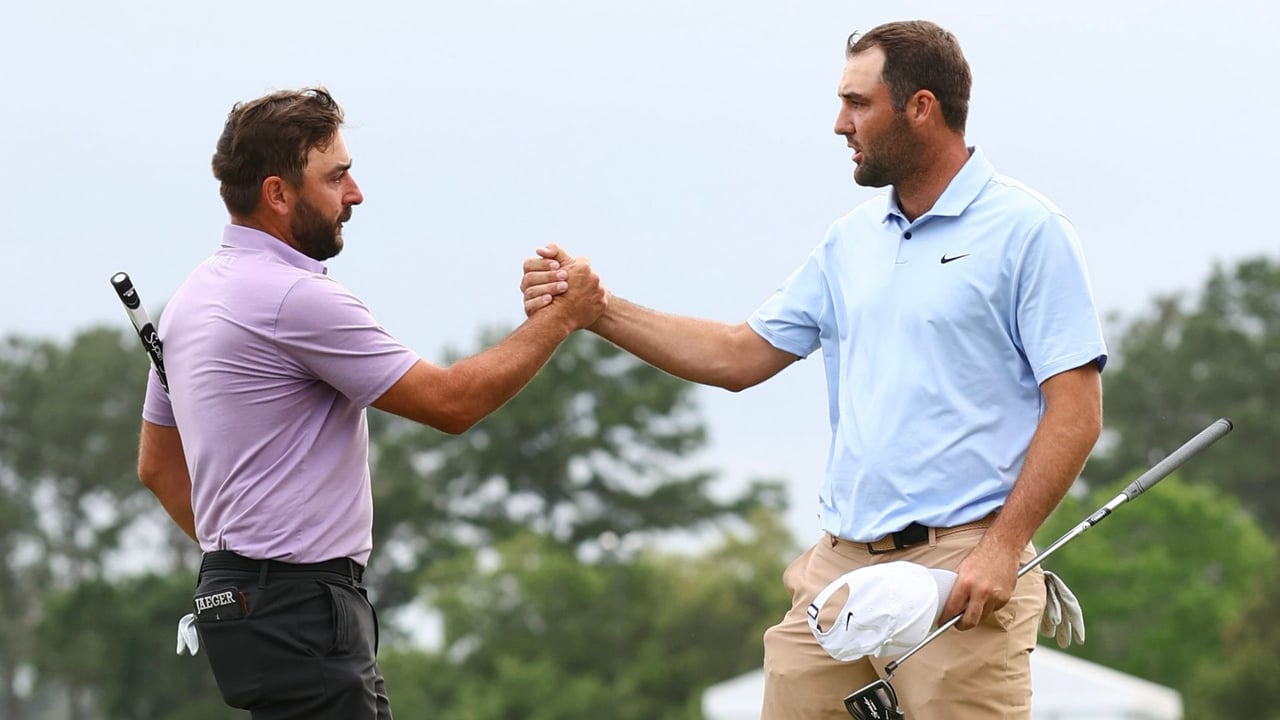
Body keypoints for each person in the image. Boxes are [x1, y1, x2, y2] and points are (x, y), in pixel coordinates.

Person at [521, 20, 1106, 719]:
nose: (840, 124)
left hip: (960, 567)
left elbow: (1076, 411)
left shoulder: (1029, 230)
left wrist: (1004, 548)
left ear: (921, 107)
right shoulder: (849, 241)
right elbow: (738, 355)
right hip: (840, 570)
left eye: (858, 103)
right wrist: (598, 310)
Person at [135, 87, 607, 719]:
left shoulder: (190, 300)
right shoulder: (293, 298)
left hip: (244, 603)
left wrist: (248, 567)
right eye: (336, 177)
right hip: (302, 610)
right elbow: (452, 402)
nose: (355, 194)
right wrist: (563, 317)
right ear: (278, 193)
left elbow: (157, 468)